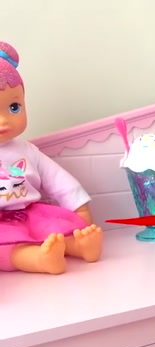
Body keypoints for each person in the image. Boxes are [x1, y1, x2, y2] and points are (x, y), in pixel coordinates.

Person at [0, 41, 103, 274]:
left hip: (31, 213)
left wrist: (81, 212)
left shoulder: (27, 150)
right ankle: (38, 260)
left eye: (14, 107)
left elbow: (58, 180)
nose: (3, 121)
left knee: (56, 231)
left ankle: (79, 245)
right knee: (6, 251)